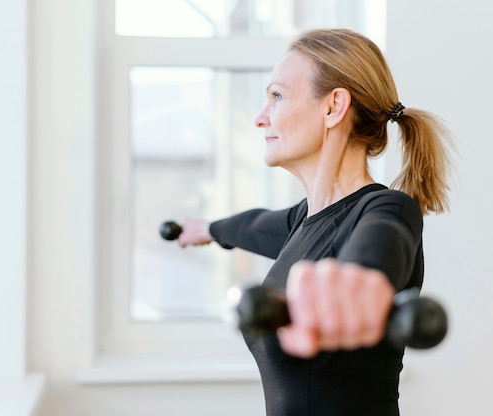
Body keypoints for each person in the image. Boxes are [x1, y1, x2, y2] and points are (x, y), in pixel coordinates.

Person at [175, 28, 454, 415]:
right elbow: (254, 226)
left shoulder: (386, 210)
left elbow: (379, 248)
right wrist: (207, 229)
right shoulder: (304, 222)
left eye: (277, 96)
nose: (260, 118)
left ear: (333, 107)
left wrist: (354, 284)